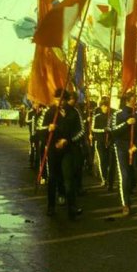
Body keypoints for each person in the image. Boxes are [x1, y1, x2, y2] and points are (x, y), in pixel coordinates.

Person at [38, 88, 84, 220]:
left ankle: (72, 207)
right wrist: (48, 128)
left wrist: (67, 141)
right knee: (53, 178)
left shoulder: (74, 112)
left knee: (68, 178)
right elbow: (39, 129)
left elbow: (81, 131)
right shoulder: (48, 112)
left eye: (62, 99)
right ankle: (51, 206)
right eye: (57, 99)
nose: (60, 102)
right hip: (53, 150)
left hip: (68, 150)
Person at [111, 91, 137, 216]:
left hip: (134, 148)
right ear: (128, 100)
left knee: (135, 174)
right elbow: (113, 131)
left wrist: (136, 145)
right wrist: (126, 124)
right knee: (124, 176)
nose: (136, 99)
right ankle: (125, 203)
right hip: (121, 147)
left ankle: (130, 189)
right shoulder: (118, 115)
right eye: (134, 97)